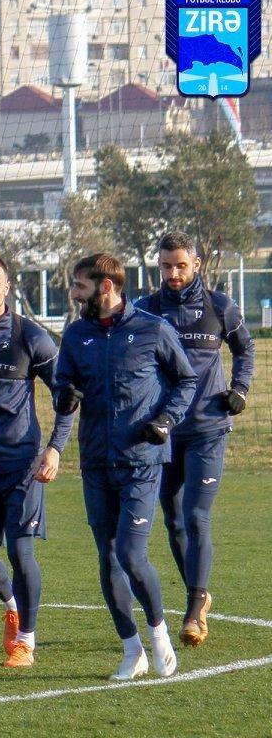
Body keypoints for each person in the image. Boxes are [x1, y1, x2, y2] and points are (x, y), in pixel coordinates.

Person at [53, 253, 198, 680]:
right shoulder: (76, 334)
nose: (74, 293)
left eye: (80, 286)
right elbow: (63, 386)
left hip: (141, 461)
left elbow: (186, 380)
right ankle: (132, 648)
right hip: (96, 461)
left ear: (105, 287)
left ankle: (158, 633)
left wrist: (166, 421)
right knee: (108, 556)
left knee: (132, 555)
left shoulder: (153, 328)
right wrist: (65, 397)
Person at [132, 230, 254, 646]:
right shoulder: (146, 310)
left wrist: (240, 390)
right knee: (174, 520)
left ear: (196, 264)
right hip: (163, 433)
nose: (173, 273)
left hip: (208, 429)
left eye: (181, 265)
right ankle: (199, 595)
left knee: (196, 515)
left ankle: (194, 608)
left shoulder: (220, 306)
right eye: (166, 266)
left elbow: (245, 349)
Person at [0, 254, 71, 668]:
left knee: (21, 551)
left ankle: (26, 640)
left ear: (7, 287)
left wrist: (55, 448)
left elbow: (66, 396)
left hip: (22, 463)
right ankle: (13, 605)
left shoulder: (30, 336)